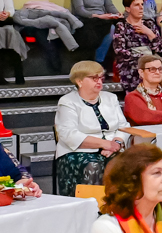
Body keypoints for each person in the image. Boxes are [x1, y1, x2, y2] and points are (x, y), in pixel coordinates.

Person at [54, 61, 143, 196]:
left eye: (101, 77)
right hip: (77, 151)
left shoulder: (110, 98)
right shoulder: (67, 101)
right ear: (79, 81)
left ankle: (122, 206)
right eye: (94, 78)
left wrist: (116, 143)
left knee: (132, 162)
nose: (99, 81)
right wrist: (104, 144)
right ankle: (90, 207)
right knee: (93, 166)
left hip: (112, 148)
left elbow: (123, 126)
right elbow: (68, 135)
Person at [124, 54, 162, 125]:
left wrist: (159, 121)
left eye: (160, 69)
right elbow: (145, 118)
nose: (157, 72)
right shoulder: (133, 97)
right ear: (141, 73)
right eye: (152, 69)